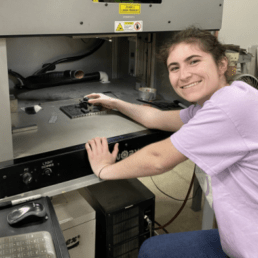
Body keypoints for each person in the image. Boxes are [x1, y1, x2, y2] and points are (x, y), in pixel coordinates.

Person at [85, 27, 258, 258]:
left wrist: (104, 170)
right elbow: (157, 118)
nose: (184, 75)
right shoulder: (225, 98)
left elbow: (158, 160)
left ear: (222, 64)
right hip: (237, 238)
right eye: (174, 68)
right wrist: (115, 103)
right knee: (151, 248)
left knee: (152, 251)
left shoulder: (229, 107)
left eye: (194, 61)